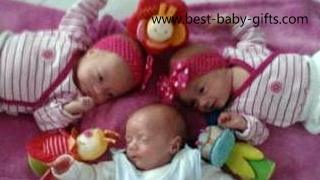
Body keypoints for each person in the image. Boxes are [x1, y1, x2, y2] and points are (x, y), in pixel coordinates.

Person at [159, 18, 320, 145]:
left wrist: (231, 20)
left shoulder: (244, 53)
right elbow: (260, 134)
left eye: (201, 90)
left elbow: (251, 31)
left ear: (216, 66)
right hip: (311, 109)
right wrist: (241, 124)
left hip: (314, 67)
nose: (202, 103)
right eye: (194, 104)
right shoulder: (234, 111)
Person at [0, 0, 150, 131]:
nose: (98, 90)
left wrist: (73, 108)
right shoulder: (73, 38)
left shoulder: (71, 96)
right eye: (100, 77)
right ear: (92, 52)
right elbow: (82, 12)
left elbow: (44, 118)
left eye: (109, 94)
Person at [51, 104, 233, 180]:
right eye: (129, 139)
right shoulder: (122, 169)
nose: (131, 145)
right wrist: (71, 170)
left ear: (173, 146)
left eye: (142, 139)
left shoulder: (187, 163)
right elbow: (93, 176)